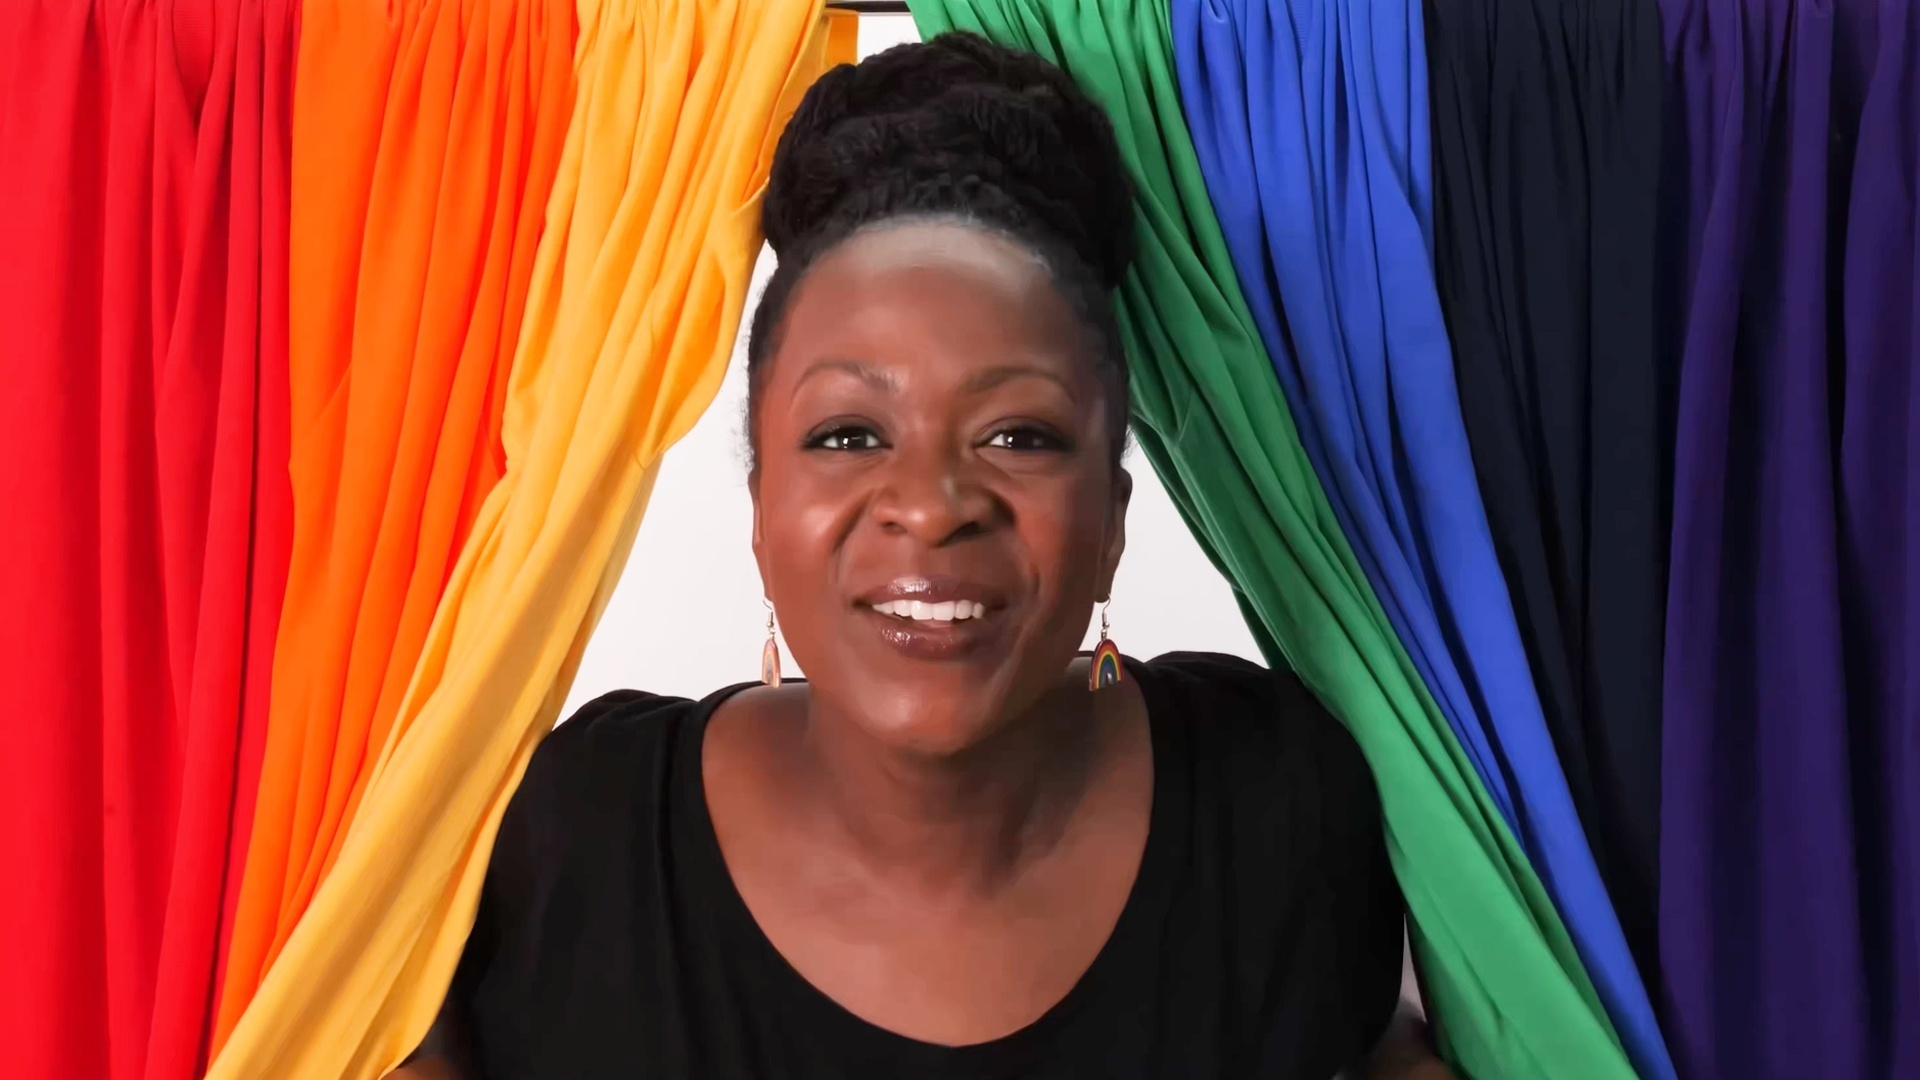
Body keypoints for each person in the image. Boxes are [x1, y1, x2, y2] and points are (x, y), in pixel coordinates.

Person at [395, 31, 1448, 1080]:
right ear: (760, 513)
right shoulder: (574, 842)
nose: (931, 508)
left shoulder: (1278, 808)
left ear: (1114, 521)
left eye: (1018, 435)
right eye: (848, 434)